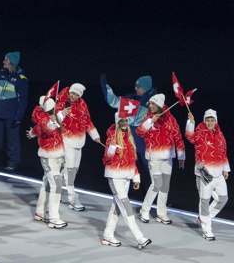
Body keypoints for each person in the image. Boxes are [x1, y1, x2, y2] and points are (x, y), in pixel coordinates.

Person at [101, 113, 152, 250]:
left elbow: (132, 161)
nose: (124, 123)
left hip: (126, 178)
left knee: (117, 207)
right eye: (121, 121)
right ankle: (140, 238)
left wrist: (136, 177)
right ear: (117, 122)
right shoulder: (112, 137)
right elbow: (106, 160)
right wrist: (111, 148)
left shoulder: (129, 139)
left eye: (126, 121)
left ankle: (107, 235)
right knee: (126, 207)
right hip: (115, 177)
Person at [135, 93, 185, 224]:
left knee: (165, 186)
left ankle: (161, 213)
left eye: (153, 104)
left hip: (168, 158)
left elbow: (178, 138)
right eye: (150, 104)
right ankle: (144, 210)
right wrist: (151, 120)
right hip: (154, 158)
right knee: (156, 184)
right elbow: (139, 132)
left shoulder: (171, 119)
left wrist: (181, 156)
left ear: (160, 105)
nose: (150, 106)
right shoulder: (148, 119)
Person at [55, 83, 101, 211]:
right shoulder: (62, 102)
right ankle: (72, 200)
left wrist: (94, 135)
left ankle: (54, 188)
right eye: (72, 93)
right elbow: (54, 121)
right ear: (69, 92)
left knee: (73, 170)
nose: (74, 96)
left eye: (77, 94)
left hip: (79, 143)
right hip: (67, 140)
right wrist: (63, 113)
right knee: (70, 171)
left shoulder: (82, 104)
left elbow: (87, 120)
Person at [185, 109, 229, 241]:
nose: (210, 122)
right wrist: (190, 122)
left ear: (216, 121)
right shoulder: (199, 134)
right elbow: (189, 135)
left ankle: (203, 218)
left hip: (218, 173)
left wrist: (225, 169)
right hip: (205, 172)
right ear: (204, 120)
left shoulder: (220, 135)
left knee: (223, 198)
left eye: (212, 120)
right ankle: (207, 229)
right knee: (204, 200)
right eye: (208, 120)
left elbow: (223, 153)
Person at [101, 73, 157, 171]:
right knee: (128, 164)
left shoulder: (155, 101)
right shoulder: (131, 99)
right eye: (135, 86)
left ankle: (156, 184)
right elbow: (113, 102)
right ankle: (130, 185)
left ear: (145, 88)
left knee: (150, 167)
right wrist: (106, 86)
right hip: (130, 134)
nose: (135, 88)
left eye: (138, 87)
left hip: (145, 137)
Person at [29, 96, 68, 229]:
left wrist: (31, 134)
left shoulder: (50, 116)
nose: (55, 108)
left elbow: (35, 130)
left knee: (47, 184)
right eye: (52, 107)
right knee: (56, 185)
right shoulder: (45, 120)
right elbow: (48, 128)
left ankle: (40, 212)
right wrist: (55, 120)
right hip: (49, 158)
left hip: (57, 156)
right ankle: (53, 218)